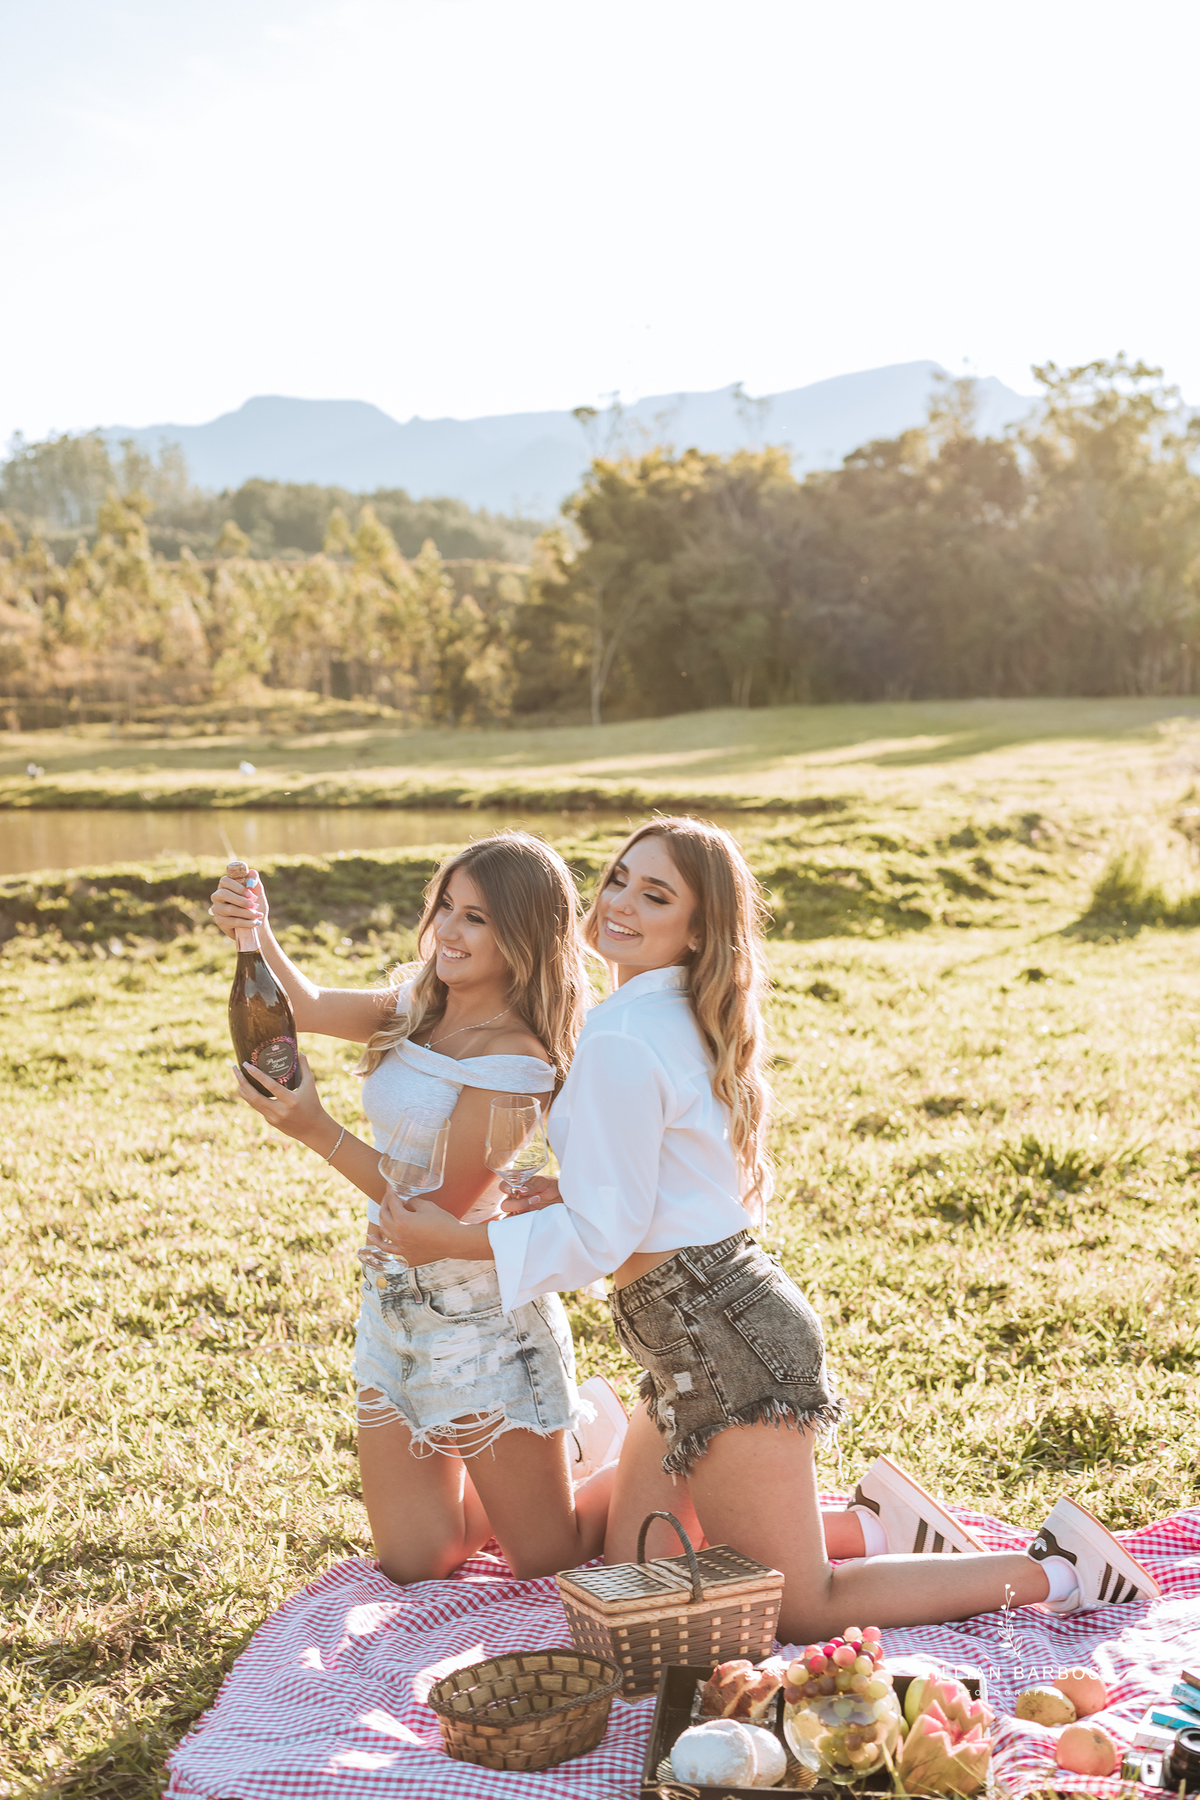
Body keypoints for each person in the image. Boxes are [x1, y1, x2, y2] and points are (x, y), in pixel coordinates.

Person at [375, 817, 1161, 1643]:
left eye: (656, 895)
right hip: (692, 1334)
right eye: (617, 880)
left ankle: (1063, 1570)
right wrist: (567, 1190)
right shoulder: (676, 1012)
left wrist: (451, 1241)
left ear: (699, 927)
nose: (621, 904)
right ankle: (873, 1526)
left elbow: (606, 1238)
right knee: (626, 1579)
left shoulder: (623, 1033)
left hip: (722, 1341)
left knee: (800, 1607)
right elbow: (668, 1180)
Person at [209, 832, 619, 1585]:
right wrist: (252, 927)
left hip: (481, 1321)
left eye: (477, 920)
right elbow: (306, 1005)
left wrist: (315, 1129)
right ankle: (551, 1456)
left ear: (524, 938)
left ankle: (619, 1460)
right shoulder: (421, 1003)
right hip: (390, 1302)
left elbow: (430, 1215)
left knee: (546, 1560)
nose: (448, 933)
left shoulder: (518, 1061)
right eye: (446, 909)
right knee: (416, 1561)